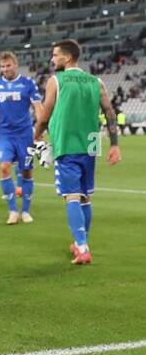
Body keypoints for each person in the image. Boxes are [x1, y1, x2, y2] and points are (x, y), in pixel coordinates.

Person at [32, 39, 122, 265]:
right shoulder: (96, 81)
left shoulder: (56, 80)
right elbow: (110, 112)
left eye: (55, 55)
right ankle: (82, 242)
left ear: (67, 58)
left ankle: (82, 248)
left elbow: (45, 114)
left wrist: (36, 135)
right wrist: (114, 144)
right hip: (90, 144)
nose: (52, 59)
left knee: (71, 195)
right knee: (85, 195)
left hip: (67, 143)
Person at [0, 52, 42, 224]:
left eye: (8, 65)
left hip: (25, 135)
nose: (5, 69)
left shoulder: (28, 83)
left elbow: (38, 106)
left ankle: (25, 210)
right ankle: (12, 211)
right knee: (4, 167)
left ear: (15, 64)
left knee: (26, 171)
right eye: (2, 67)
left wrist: (40, 130)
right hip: (5, 135)